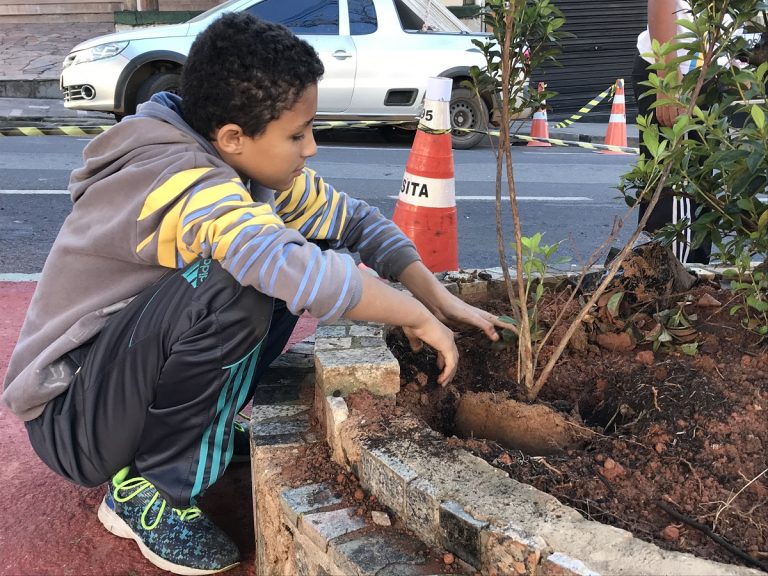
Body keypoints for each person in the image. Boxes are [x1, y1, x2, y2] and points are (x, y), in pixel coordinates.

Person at [2, 13, 510, 575]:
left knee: (285, 260)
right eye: (297, 134)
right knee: (246, 282)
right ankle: (149, 491)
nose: (310, 148)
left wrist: (437, 297)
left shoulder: (246, 166)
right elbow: (278, 266)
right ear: (233, 137)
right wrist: (408, 312)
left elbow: (353, 221)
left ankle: (196, 429)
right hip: (74, 417)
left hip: (118, 382)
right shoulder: (179, 180)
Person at [631, 0, 712, 264]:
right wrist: (668, 80)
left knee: (694, 195)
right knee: (677, 200)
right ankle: (672, 296)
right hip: (679, 74)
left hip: (696, 71)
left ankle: (682, 288)